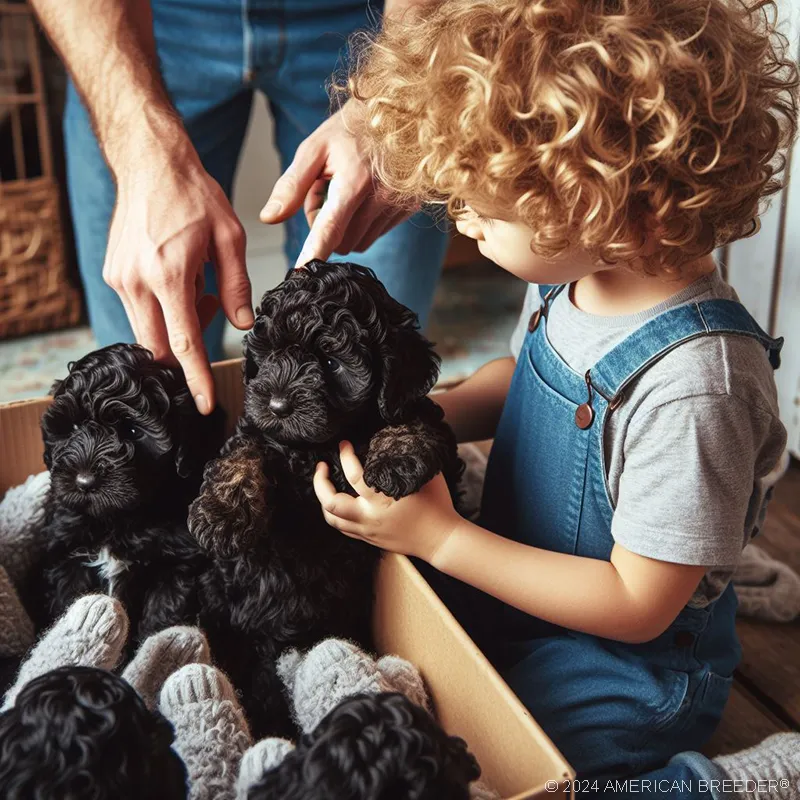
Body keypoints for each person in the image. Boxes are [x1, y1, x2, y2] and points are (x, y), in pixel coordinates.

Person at [312, 1, 800, 798]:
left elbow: (637, 604)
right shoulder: (575, 274)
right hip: (516, 580)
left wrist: (441, 540)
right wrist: (424, 413)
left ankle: (733, 782)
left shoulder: (697, 385)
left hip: (623, 669)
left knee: (517, 776)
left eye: (485, 203)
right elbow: (525, 380)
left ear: (605, 199)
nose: (461, 221)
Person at [28, 0, 449, 414]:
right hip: (146, 21)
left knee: (373, 368)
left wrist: (393, 96)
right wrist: (139, 152)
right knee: (144, 374)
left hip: (370, 21)